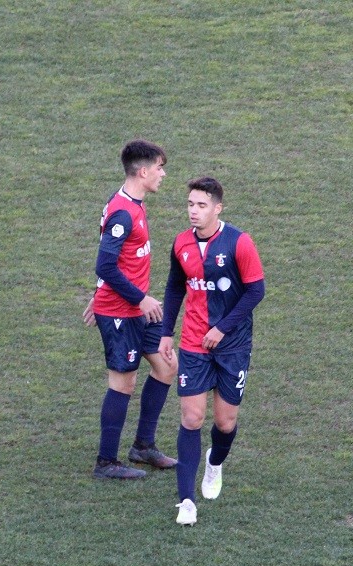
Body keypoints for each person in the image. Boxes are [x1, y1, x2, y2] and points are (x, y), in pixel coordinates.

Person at [159, 177, 265, 525]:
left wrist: (222, 328)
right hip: (193, 344)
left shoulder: (239, 242)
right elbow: (175, 288)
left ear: (217, 208)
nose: (194, 211)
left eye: (201, 205)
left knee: (225, 422)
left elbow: (256, 291)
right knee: (191, 418)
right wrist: (165, 333)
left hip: (233, 345)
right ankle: (186, 502)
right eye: (190, 204)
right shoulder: (181, 243)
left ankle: (215, 462)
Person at [83, 139, 179, 479]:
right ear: (143, 172)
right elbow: (105, 264)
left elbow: (116, 263)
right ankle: (106, 462)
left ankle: (143, 446)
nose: (163, 174)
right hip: (121, 312)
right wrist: (138, 298)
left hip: (137, 307)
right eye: (159, 168)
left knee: (167, 366)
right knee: (123, 383)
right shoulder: (123, 213)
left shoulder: (132, 204)